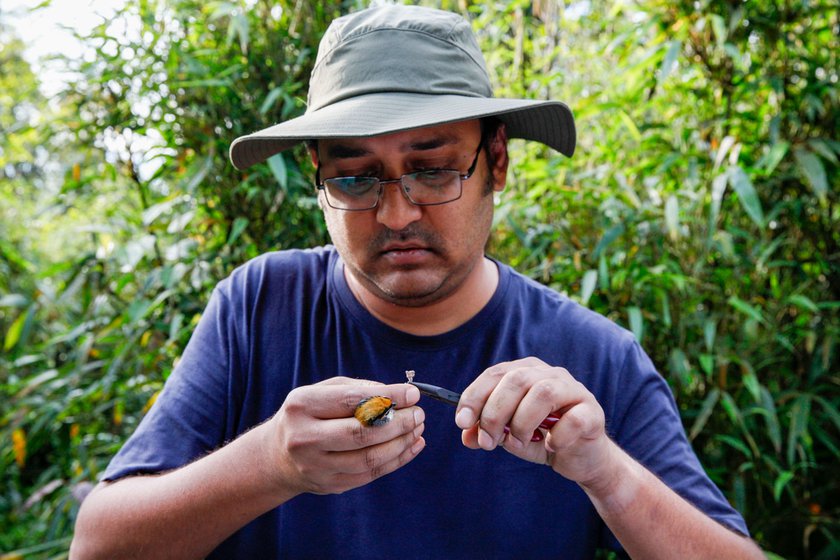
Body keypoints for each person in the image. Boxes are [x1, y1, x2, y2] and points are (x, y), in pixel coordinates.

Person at [70, 5, 764, 559]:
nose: (396, 213)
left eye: (433, 168)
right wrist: (270, 463)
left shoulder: (592, 359)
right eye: (354, 176)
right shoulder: (259, 309)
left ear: (498, 162)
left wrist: (604, 470)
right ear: (317, 180)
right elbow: (96, 547)